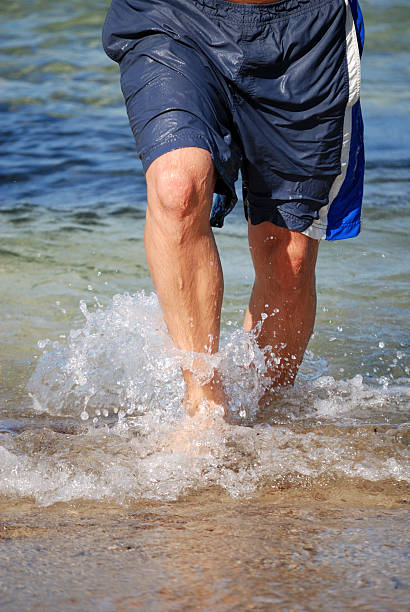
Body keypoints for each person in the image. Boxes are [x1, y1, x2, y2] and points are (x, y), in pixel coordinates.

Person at [102, 0, 365, 418]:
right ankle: (204, 409)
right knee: (178, 188)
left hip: (307, 29)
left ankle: (265, 417)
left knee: (289, 257)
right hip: (173, 15)